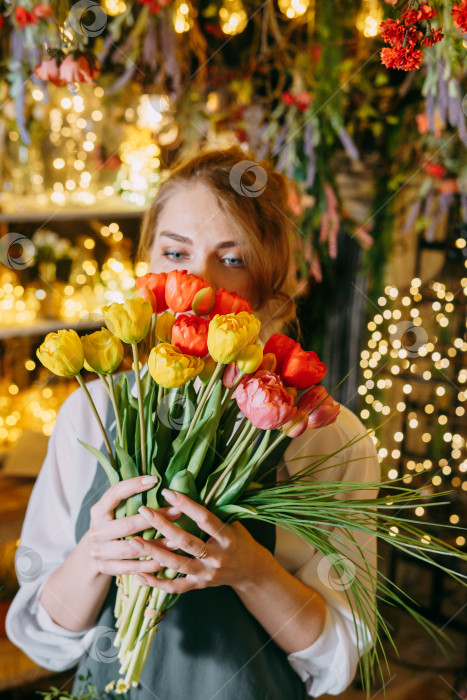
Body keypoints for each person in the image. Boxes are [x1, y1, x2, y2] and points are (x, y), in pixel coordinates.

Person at [6, 145, 380, 699]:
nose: (198, 287)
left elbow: (336, 658)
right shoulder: (91, 412)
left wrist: (249, 569)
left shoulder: (325, 434)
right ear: (149, 265)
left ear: (270, 284)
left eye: (233, 259)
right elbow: (43, 637)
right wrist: (96, 553)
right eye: (176, 253)